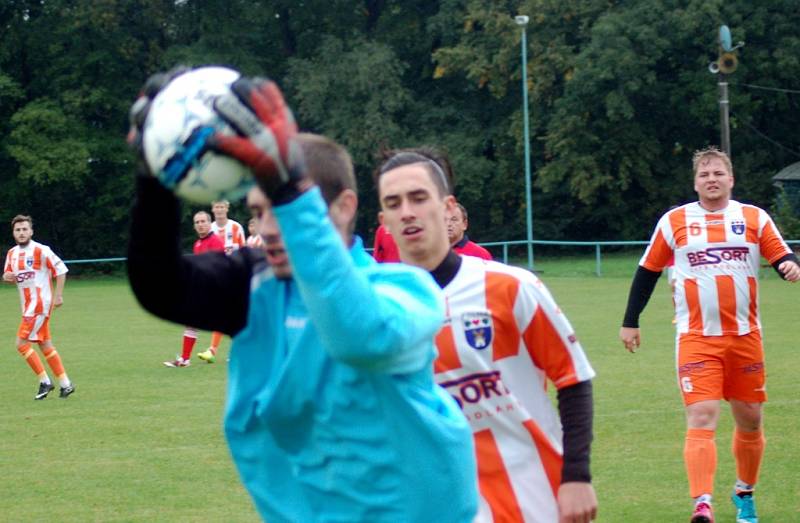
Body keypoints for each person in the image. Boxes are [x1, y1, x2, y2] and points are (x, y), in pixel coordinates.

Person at [126, 73, 477, 522]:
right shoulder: (256, 289)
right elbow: (158, 285)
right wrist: (154, 179)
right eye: (257, 212)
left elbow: (359, 334)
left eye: (281, 208)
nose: (268, 227)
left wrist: (290, 190)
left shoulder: (408, 291)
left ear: (345, 207)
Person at [375, 149, 598, 523]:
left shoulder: (510, 287)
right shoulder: (378, 312)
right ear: (384, 221)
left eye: (418, 197)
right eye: (394, 204)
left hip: (533, 498)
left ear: (448, 207)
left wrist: (577, 475)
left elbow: (573, 378)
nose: (407, 212)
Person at [619, 147, 800, 523]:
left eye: (718, 173)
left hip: (746, 337)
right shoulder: (675, 221)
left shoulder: (754, 217)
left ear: (731, 179)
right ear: (695, 182)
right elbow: (647, 271)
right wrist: (630, 319)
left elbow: (781, 254)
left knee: (750, 419)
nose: (711, 179)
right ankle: (702, 503)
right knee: (702, 416)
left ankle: (744, 493)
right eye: (704, 175)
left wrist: (787, 266)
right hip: (696, 338)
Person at [3, 215, 75, 399]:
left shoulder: (41, 250)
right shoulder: (11, 253)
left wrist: (58, 295)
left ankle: (45, 381)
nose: (21, 232)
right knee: (45, 344)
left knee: (20, 344)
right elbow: (9, 276)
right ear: (13, 233)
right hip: (27, 306)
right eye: (18, 230)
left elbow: (61, 270)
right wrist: (7, 278)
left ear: (31, 231)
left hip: (40, 304)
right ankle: (66, 384)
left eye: (25, 229)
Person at [163, 210, 225, 367]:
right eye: (197, 222)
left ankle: (186, 359)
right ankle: (185, 359)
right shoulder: (198, 244)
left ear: (209, 223)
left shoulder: (215, 242)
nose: (200, 225)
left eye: (203, 221)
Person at [197, 200, 245, 362]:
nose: (219, 210)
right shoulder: (210, 230)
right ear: (212, 209)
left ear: (227, 208)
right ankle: (216, 350)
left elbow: (244, 251)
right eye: (216, 207)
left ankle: (218, 350)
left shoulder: (236, 228)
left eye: (222, 207)